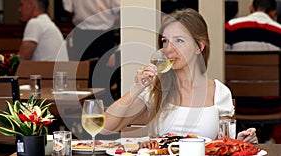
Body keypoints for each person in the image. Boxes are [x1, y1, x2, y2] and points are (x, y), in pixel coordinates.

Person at [103, 8, 258, 144]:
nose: (168, 49)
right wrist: (137, 88)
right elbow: (105, 128)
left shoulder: (219, 92)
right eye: (165, 41)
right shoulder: (155, 90)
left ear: (199, 47)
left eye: (179, 40)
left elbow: (225, 145)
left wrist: (241, 141)